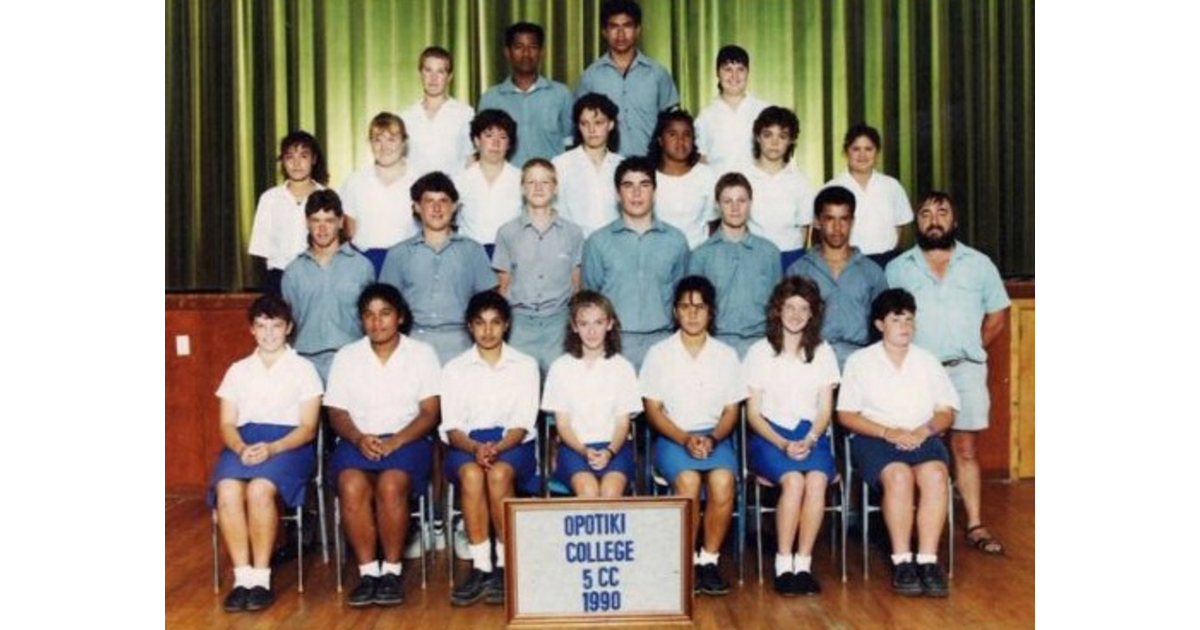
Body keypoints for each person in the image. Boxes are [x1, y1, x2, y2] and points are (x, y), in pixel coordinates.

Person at [885, 190, 1011, 557]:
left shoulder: (979, 264)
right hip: (916, 373)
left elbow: (998, 314)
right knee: (915, 445)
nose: (934, 219)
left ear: (954, 221)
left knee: (966, 447)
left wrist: (972, 348)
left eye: (942, 212)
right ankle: (920, 527)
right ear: (916, 223)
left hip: (964, 370)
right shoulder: (898, 268)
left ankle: (974, 523)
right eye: (925, 214)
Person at [325, 283, 441, 607]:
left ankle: (390, 571)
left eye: (385, 314)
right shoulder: (347, 357)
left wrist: (396, 441)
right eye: (369, 316)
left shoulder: (421, 354)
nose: (377, 323)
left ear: (400, 317)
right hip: (358, 438)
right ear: (362, 321)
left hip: (408, 438)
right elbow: (336, 412)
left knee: (391, 485)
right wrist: (359, 438)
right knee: (350, 483)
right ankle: (367, 573)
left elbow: (430, 412)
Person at [836, 288, 957, 598]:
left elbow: (946, 411)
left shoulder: (928, 361)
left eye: (909, 319)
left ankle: (928, 562)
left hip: (921, 434)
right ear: (880, 324)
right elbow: (846, 414)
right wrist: (889, 433)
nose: (904, 326)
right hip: (876, 437)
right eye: (896, 319)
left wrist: (923, 431)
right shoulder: (860, 362)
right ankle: (903, 561)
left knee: (935, 475)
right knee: (899, 476)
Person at [210, 294, 322, 613]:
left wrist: (273, 447)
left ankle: (261, 578)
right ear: (252, 330)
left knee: (260, 490)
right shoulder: (238, 370)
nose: (268, 333)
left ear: (288, 328)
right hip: (243, 443)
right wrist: (240, 447)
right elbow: (227, 422)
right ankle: (241, 577)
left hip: (288, 444)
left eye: (275, 326)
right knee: (227, 489)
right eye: (261, 326)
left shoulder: (304, 369)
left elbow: (308, 427)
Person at [640, 275, 744, 596]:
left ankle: (708, 562)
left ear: (711, 312)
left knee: (723, 481)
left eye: (699, 307)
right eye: (685, 307)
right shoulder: (659, 353)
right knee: (688, 481)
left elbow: (731, 410)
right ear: (675, 312)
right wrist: (685, 438)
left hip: (716, 436)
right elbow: (653, 409)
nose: (693, 314)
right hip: (674, 438)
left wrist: (712, 438)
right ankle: (683, 563)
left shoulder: (726, 355)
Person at [440, 290, 540, 607]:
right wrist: (475, 448)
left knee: (497, 476)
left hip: (513, 443)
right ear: (470, 326)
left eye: (495, 323)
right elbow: (451, 425)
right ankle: (481, 566)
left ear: (506, 325)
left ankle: (505, 565)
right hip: (466, 444)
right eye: (480, 323)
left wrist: (496, 447)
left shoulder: (525, 365)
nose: (488, 331)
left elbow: (523, 423)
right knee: (471, 475)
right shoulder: (454, 368)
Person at [743, 277, 839, 596]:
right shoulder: (759, 352)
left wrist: (811, 438)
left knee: (816, 481)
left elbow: (825, 408)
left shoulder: (823, 352)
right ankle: (783, 564)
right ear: (777, 310)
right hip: (770, 435)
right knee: (794, 482)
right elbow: (753, 414)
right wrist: (783, 443)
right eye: (790, 307)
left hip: (811, 433)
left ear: (813, 314)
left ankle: (804, 564)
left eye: (804, 308)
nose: (796, 314)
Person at [379, 172, 499, 366]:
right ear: (417, 207)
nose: (436, 208)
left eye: (443, 200)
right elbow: (385, 308)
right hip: (412, 344)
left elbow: (490, 305)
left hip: (462, 344)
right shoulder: (398, 254)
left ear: (454, 207)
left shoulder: (473, 251)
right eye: (429, 201)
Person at [582, 156, 689, 371]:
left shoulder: (676, 240)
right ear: (617, 193)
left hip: (663, 342)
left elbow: (682, 297)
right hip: (614, 343)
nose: (637, 193)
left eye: (644, 185)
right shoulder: (598, 241)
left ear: (655, 192)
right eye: (628, 185)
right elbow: (590, 299)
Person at [542, 291, 642, 497]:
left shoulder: (623, 368)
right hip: (574, 449)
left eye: (598, 322)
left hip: (615, 447)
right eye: (584, 323)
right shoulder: (560, 368)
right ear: (574, 326)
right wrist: (584, 451)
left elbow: (623, 424)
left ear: (610, 324)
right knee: (588, 490)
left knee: (610, 491)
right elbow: (563, 425)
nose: (592, 331)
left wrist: (609, 452)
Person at [492, 159, 584, 376]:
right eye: (531, 182)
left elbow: (576, 284)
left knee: (559, 391)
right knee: (520, 390)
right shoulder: (507, 233)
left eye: (545, 182)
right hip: (520, 325)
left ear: (555, 187)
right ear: (523, 189)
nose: (538, 188)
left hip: (558, 324)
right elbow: (503, 286)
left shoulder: (573, 233)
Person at [786, 185, 887, 369]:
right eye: (830, 218)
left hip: (859, 362)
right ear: (817, 221)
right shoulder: (798, 270)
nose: (837, 227)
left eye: (844, 219)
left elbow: (884, 326)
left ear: (852, 222)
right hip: (810, 361)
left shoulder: (872, 272)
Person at [282, 189, 375, 382]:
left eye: (329, 221)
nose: (322, 228)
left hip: (351, 362)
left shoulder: (362, 267)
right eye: (316, 221)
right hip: (305, 364)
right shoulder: (293, 271)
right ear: (307, 223)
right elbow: (288, 326)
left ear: (341, 222)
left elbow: (371, 320)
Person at [688, 172, 781, 358]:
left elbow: (778, 307)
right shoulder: (701, 254)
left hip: (761, 345)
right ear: (717, 206)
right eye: (727, 201)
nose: (735, 208)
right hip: (716, 345)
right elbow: (693, 310)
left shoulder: (769, 252)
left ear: (751, 203)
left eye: (741, 201)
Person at [573, 0, 679, 157]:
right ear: (604, 31)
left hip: (650, 165)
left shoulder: (658, 74)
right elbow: (579, 125)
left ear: (637, 30)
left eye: (627, 26)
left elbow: (673, 123)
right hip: (605, 168)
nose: (621, 34)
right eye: (614, 27)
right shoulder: (590, 76)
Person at [478, 22, 573, 166]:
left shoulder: (561, 94)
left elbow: (570, 145)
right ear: (507, 52)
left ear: (542, 52)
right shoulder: (490, 98)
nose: (526, 53)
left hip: (550, 183)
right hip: (506, 183)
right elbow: (481, 148)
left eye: (533, 47)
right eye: (518, 47)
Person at [248, 130, 329, 293]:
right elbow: (261, 246)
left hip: (316, 276)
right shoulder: (269, 198)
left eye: (303, 156)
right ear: (283, 161)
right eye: (290, 157)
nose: (296, 163)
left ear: (314, 159)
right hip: (278, 276)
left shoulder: (326, 196)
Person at [339, 112, 419, 275]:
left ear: (404, 142)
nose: (384, 147)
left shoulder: (419, 179)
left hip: (408, 263)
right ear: (370, 143)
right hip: (365, 263)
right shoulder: (355, 181)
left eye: (391, 139)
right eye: (377, 140)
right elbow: (348, 230)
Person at [823, 123, 913, 266]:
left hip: (888, 261)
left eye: (868, 149)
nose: (862, 155)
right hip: (847, 263)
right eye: (856, 149)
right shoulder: (831, 188)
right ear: (846, 152)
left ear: (877, 152)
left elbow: (900, 227)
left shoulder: (891, 186)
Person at [743, 107, 815, 269]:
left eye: (782, 136)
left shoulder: (800, 181)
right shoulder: (745, 177)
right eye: (768, 135)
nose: (774, 143)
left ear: (791, 140)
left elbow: (804, 228)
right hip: (753, 256)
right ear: (757, 137)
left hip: (791, 256)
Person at [552, 92, 624, 237]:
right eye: (584, 124)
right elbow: (554, 211)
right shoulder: (560, 164)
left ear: (610, 124)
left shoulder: (621, 165)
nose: (591, 130)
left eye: (598, 123)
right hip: (574, 248)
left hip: (614, 247)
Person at [454, 109, 523, 253]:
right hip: (469, 253)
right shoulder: (460, 178)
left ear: (510, 144)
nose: (496, 143)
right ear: (477, 140)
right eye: (489, 136)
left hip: (510, 255)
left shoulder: (520, 178)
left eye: (503, 137)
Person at [646, 109, 717, 249]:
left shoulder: (705, 175)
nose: (681, 141)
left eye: (687, 135)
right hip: (659, 255)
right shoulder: (648, 177)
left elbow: (712, 222)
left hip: (697, 256)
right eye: (672, 134)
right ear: (660, 140)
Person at [401, 46, 474, 178]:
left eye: (440, 72)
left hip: (453, 195)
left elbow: (470, 159)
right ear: (420, 74)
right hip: (416, 195)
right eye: (428, 70)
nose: (433, 78)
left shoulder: (465, 114)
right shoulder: (407, 116)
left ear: (449, 77)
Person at [694, 45, 769, 171]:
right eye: (728, 69)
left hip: (757, 188)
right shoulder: (706, 117)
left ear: (748, 72)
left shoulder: (763, 112)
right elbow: (701, 159)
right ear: (717, 73)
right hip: (718, 187)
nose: (734, 76)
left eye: (740, 69)